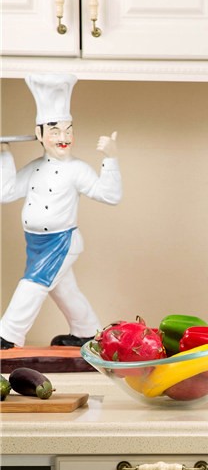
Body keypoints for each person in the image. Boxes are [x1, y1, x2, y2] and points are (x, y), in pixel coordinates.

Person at [0, 73, 121, 349]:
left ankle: (8, 335)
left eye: (68, 130)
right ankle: (87, 332)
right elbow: (5, 193)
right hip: (35, 242)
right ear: (40, 134)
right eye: (55, 131)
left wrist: (111, 158)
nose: (63, 138)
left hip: (61, 241)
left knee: (33, 284)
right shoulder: (34, 168)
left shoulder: (77, 169)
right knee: (64, 289)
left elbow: (109, 195)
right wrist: (4, 155)